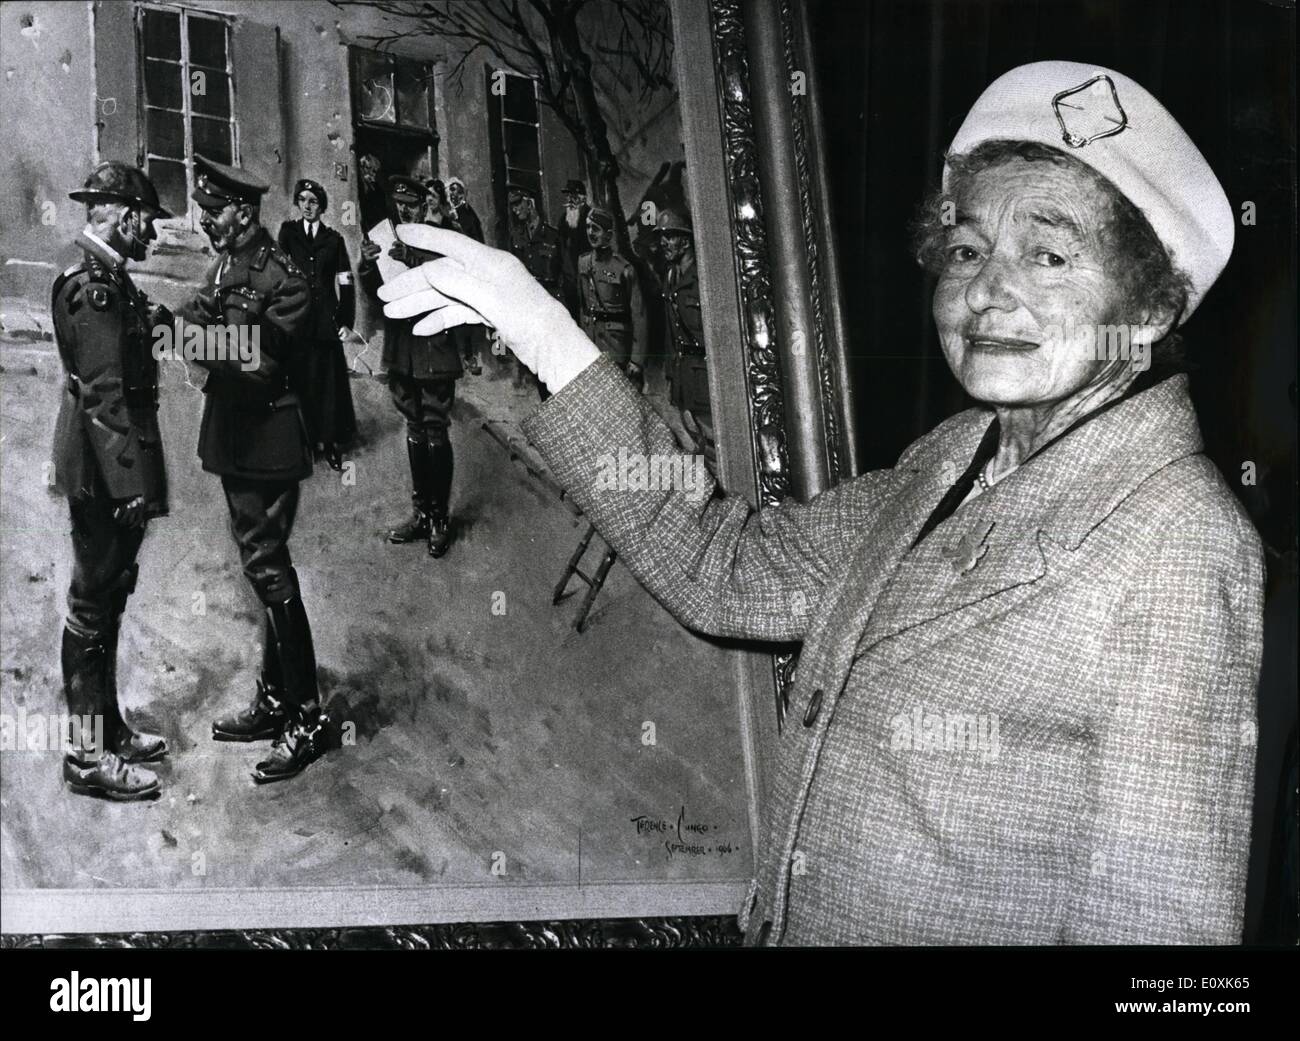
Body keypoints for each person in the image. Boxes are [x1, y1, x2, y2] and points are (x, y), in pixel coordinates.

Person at [379, 61, 1264, 946]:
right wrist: (540, 328)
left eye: (1048, 252)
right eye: (966, 250)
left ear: (1148, 307)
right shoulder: (960, 453)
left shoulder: (1177, 540)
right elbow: (725, 565)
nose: (990, 289)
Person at [180, 154, 333, 784]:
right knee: (262, 566)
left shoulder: (284, 277)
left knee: (268, 568)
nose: (206, 222)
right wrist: (208, 336)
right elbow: (197, 316)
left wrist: (197, 340)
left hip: (267, 441)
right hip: (237, 436)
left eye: (213, 212)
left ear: (243, 213)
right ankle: (275, 701)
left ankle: (306, 716)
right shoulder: (226, 265)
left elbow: (265, 366)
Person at [51, 161, 171, 801]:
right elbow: (102, 396)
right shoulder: (94, 287)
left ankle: (109, 729)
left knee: (110, 595)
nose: (151, 231)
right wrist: (130, 488)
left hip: (108, 468)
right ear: (124, 215)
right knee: (93, 603)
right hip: (104, 473)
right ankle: (86, 756)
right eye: (147, 218)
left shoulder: (111, 282)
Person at [358, 175, 462, 558]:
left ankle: (439, 518)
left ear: (425, 204)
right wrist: (369, 266)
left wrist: (413, 259)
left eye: (412, 204)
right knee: (415, 427)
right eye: (399, 205)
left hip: (434, 347)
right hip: (403, 348)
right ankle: (421, 513)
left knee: (435, 429)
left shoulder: (442, 236)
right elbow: (378, 293)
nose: (404, 210)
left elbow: (452, 282)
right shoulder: (390, 239)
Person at [277, 177, 357, 470]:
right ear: (298, 204)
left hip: (325, 320)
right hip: (297, 319)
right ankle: (304, 442)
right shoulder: (288, 233)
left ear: (321, 206)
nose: (307, 206)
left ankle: (331, 442)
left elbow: (345, 280)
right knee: (299, 380)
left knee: (328, 384)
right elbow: (278, 275)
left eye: (313, 202)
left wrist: (346, 321)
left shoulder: (334, 240)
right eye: (303, 201)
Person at [657, 207, 714, 470]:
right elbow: (670, 332)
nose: (663, 243)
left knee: (713, 440)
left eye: (670, 236)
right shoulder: (670, 276)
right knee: (694, 438)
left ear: (687, 240)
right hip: (683, 375)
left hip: (705, 373)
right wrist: (671, 375)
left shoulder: (705, 277)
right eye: (662, 237)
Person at [577, 206, 647, 389]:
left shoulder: (624, 269)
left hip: (616, 349)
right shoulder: (583, 263)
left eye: (596, 229)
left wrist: (636, 361)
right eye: (588, 227)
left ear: (608, 235)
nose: (590, 233)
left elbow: (639, 317)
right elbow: (582, 307)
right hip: (590, 347)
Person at [506, 183, 562, 400]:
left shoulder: (552, 236)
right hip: (529, 312)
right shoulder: (516, 238)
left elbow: (564, 278)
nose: (515, 209)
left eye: (518, 203)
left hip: (551, 311)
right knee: (539, 372)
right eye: (512, 205)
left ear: (530, 203)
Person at [557, 178, 591, 320]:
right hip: (570, 275)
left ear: (582, 198)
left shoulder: (590, 217)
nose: (570, 200)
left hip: (588, 272)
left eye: (574, 196)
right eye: (568, 196)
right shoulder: (564, 219)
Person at [446, 176, 483, 243]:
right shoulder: (452, 210)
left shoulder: (466, 211)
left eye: (453, 189)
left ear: (461, 194)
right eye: (450, 190)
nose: (451, 193)